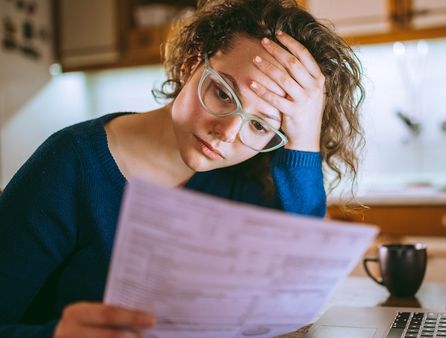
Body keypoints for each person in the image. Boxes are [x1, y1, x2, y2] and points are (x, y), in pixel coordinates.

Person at [0, 0, 365, 337]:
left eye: (260, 125)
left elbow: (297, 282)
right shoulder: (70, 164)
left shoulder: (248, 178)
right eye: (223, 93)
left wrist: (303, 138)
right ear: (193, 63)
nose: (225, 134)